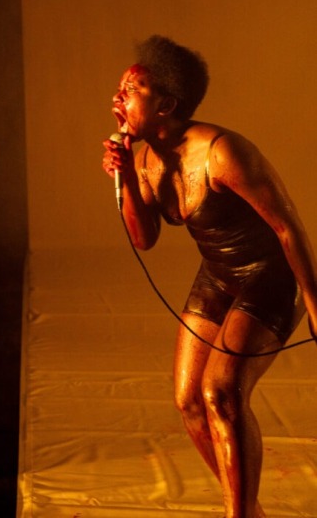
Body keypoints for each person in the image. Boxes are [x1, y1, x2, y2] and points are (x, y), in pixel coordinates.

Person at [102, 35, 316, 518]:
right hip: (218, 276)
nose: (117, 97)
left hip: (270, 276)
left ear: (166, 105)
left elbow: (288, 227)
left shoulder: (222, 151)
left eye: (132, 89)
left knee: (221, 391)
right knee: (189, 401)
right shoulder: (144, 157)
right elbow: (144, 239)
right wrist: (126, 177)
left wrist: (315, 302)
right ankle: (247, 509)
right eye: (120, 88)